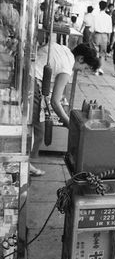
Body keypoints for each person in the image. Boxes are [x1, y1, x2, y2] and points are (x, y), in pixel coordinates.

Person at [30, 42, 100, 176]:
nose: (82, 71)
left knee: (36, 129)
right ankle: (25, 165)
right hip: (31, 81)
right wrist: (70, 124)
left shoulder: (65, 51)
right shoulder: (68, 66)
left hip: (30, 76)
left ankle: (27, 163)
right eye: (84, 67)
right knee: (37, 130)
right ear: (80, 59)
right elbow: (55, 102)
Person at [93, 0, 112, 75]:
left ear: (99, 6)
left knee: (96, 52)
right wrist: (109, 39)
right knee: (102, 54)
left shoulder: (96, 16)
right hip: (105, 36)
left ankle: (96, 69)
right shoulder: (108, 17)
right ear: (106, 7)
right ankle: (100, 68)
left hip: (97, 35)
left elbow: (93, 28)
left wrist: (91, 37)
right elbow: (110, 30)